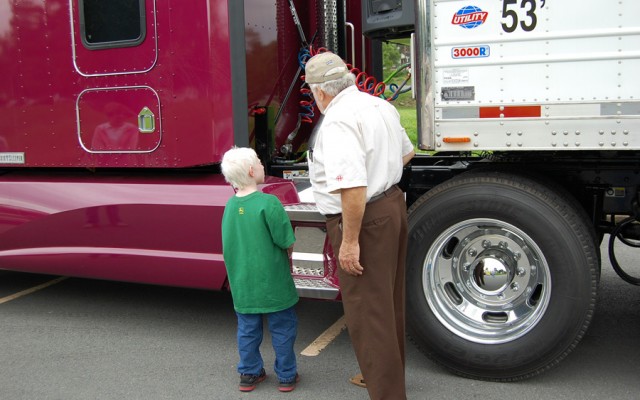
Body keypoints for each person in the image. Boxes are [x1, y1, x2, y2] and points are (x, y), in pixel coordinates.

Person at [304, 52, 415, 400]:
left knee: (368, 312)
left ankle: (387, 392)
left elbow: (352, 187)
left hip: (364, 218)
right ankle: (382, 377)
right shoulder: (379, 105)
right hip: (391, 204)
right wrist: (380, 168)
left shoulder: (337, 120)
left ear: (321, 92)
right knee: (388, 303)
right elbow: (407, 152)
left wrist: (350, 242)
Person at [220, 147, 300, 393]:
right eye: (259, 162)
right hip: (274, 281)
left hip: (243, 282)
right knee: (283, 328)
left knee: (247, 330)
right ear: (251, 171)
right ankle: (286, 375)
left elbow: (228, 245)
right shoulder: (269, 203)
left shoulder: (230, 206)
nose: (263, 166)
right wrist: (290, 252)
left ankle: (249, 373)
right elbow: (285, 240)